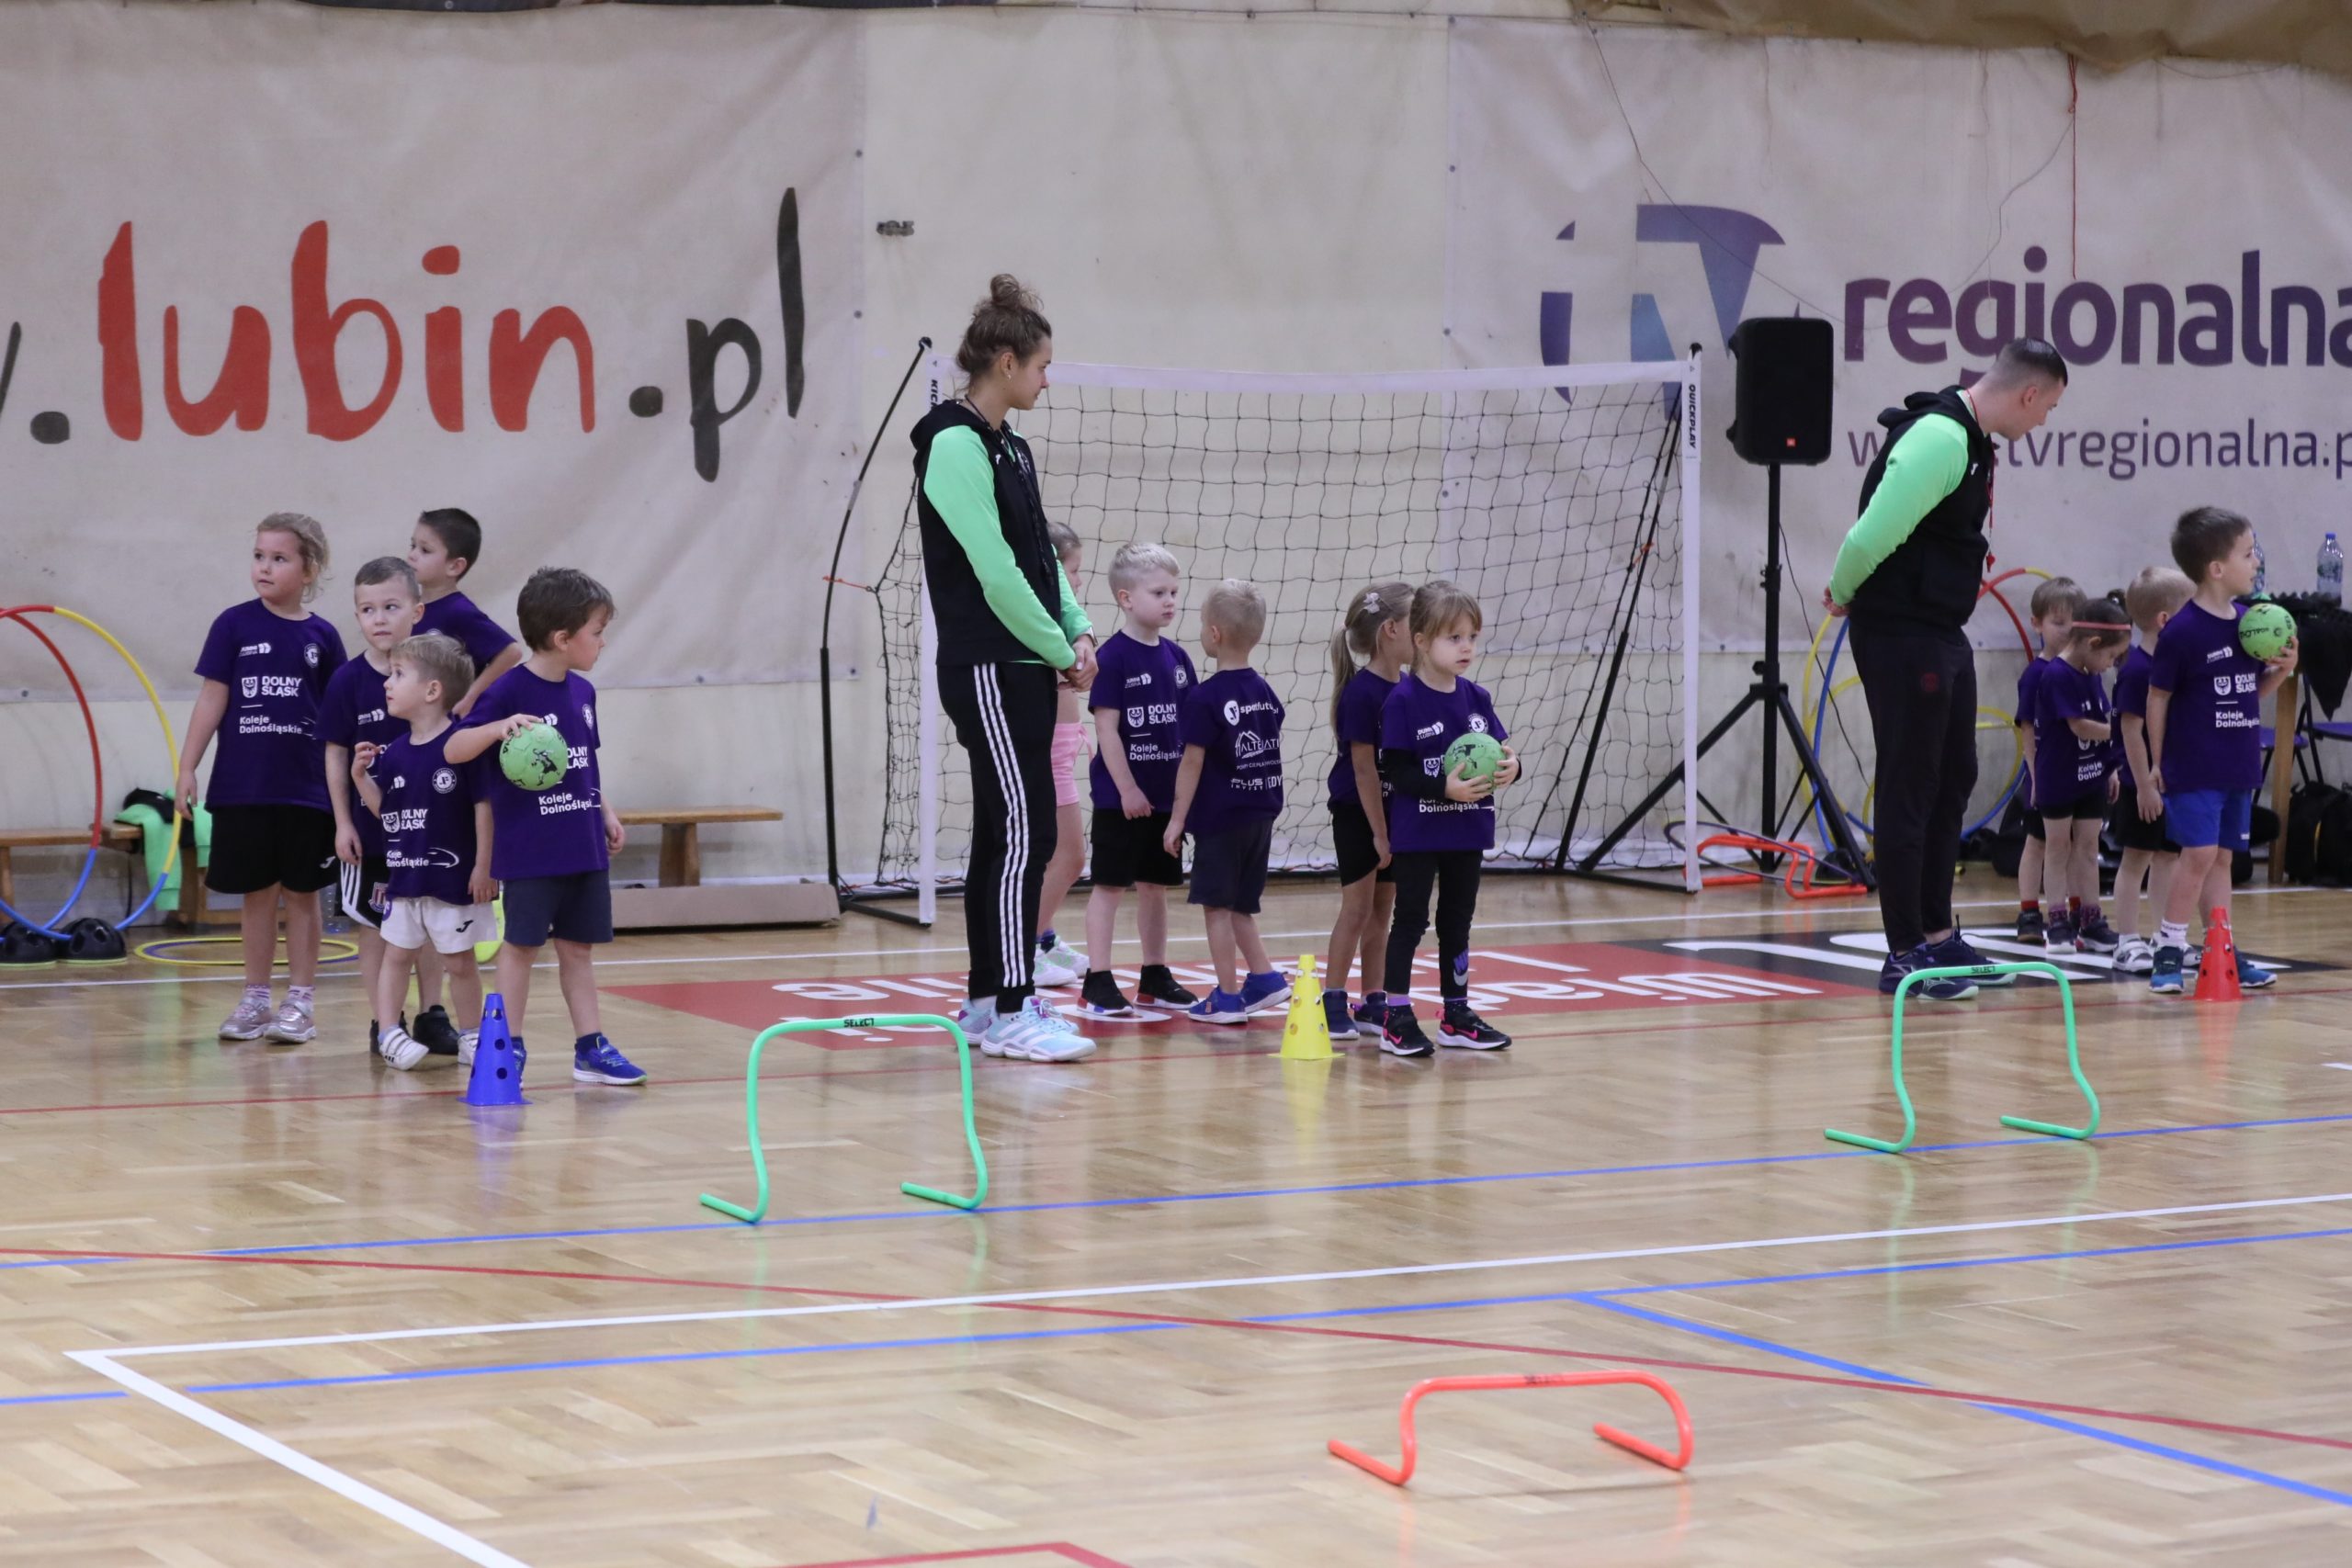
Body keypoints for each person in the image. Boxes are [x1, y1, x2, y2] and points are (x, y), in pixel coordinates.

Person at [1826, 337, 2069, 1002]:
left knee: (1952, 776)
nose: (2043, 420)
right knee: (1911, 785)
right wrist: (1842, 589)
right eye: (2047, 408)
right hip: (1901, 633)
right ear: (2029, 394)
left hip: (1938, 633)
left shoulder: (1972, 441)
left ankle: (1937, 936)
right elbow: (1869, 535)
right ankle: (1904, 951)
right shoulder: (1939, 437)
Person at [910, 275, 1098, 1064]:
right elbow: (994, 572)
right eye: (1043, 366)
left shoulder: (1011, 446)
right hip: (989, 663)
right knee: (1027, 831)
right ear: (1008, 361)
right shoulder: (953, 443)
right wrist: (1057, 650)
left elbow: (1041, 561)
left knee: (1002, 831)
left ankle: (988, 1002)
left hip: (1028, 660)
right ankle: (1018, 1004)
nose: (1048, 380)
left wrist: (1078, 631)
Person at [448, 567, 646, 1084]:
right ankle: (507, 1045)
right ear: (562, 638)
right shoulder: (507, 692)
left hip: (583, 844)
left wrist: (604, 811)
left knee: (578, 949)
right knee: (520, 949)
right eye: (597, 632)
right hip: (531, 851)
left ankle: (590, 1047)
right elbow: (454, 748)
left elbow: (583, 765)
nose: (603, 642)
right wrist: (497, 728)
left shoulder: (583, 693)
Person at [175, 513, 346, 1045]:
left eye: (279, 558)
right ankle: (254, 998)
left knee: (302, 894)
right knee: (257, 893)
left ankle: (300, 1002)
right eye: (258, 556)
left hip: (307, 790)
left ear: (308, 569)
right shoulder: (233, 625)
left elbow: (339, 715)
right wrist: (187, 766)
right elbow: (212, 698)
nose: (264, 567)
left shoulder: (323, 636)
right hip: (244, 788)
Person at [2144, 507, 2297, 995]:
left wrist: (2280, 672)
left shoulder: (2251, 624)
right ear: (2216, 568)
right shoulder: (2182, 631)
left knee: (2223, 859)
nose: (2257, 562)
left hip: (2238, 763)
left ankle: (2222, 948)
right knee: (2198, 854)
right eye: (2248, 554)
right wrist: (2156, 762)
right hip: (2193, 764)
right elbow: (2158, 697)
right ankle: (2169, 948)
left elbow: (2247, 694)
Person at [322, 557, 463, 1058]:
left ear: (417, 611)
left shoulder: (436, 674)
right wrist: (343, 822)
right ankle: (385, 1022)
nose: (378, 619)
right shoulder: (347, 680)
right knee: (375, 926)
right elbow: (335, 753)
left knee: (429, 922)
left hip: (429, 832)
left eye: (390, 607)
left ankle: (432, 1013)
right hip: (372, 833)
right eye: (367, 609)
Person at [1375, 581, 1519, 1057]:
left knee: (1457, 922)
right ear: (1420, 640)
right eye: (1453, 637)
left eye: (1472, 637)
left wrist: (1513, 768)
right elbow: (1395, 771)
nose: (1466, 647)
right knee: (1411, 920)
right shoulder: (1403, 700)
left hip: (1467, 830)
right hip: (1419, 833)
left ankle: (1456, 1015)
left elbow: (1501, 752)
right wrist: (1444, 789)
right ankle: (1396, 1016)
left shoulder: (1477, 698)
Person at [350, 634, 494, 1072]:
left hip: (452, 880)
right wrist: (361, 779)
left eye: (398, 674)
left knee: (460, 962)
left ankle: (473, 1036)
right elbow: (386, 812)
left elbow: (484, 809)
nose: (387, 683)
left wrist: (484, 866)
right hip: (404, 879)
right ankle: (390, 1033)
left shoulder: (462, 746)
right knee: (396, 956)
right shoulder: (393, 753)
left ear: (432, 691)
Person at [1079, 542, 1200, 1019]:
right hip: (1121, 801)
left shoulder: (1178, 658)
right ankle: (1098, 980)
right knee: (1110, 886)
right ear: (1126, 599)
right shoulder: (1112, 658)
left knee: (1156, 886)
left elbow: (1190, 732)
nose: (1170, 601)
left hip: (1165, 801)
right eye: (1158, 593)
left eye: (1173, 592)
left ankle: (1154, 976)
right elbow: (1106, 730)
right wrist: (1127, 788)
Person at [1164, 581, 1290, 1025]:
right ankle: (1265, 977)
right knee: (1240, 905)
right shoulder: (1264, 691)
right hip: (1261, 815)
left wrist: (1176, 820)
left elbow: (1191, 763)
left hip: (1221, 821)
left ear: (1214, 634)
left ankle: (1228, 997)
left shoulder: (1205, 697)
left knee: (1217, 908)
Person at [1319, 581, 1413, 1041]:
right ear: (1391, 630)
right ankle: (1332, 998)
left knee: (1383, 910)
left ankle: (1374, 999)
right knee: (1356, 908)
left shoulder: (1410, 687)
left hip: (1394, 817)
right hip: (1360, 814)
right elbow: (1363, 771)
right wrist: (1379, 833)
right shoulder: (1362, 694)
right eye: (1418, 622)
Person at [2031, 597, 2131, 954]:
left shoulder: (2093, 674)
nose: (2111, 665)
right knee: (2058, 848)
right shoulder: (2057, 675)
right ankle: (2057, 921)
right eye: (2111, 656)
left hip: (2093, 776)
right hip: (2059, 777)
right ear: (2093, 643)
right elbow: (2081, 726)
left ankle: (2090, 921)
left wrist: (2112, 766)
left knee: (2088, 848)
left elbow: (2101, 717)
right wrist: (2126, 734)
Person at [2109, 566, 2195, 974]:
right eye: (2189, 611)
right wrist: (2144, 785)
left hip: (2173, 784)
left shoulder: (2176, 666)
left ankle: (2166, 937)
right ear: (2165, 619)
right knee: (2135, 860)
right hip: (2141, 785)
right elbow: (2130, 730)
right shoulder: (2137, 670)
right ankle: (2127, 941)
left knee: (2167, 859)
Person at [1032, 522, 1094, 989]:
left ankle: (1044, 939)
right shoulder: (1039, 625)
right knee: (1071, 857)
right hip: (1045, 761)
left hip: (1060, 755)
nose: (1077, 580)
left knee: (1056, 857)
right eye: (1072, 570)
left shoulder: (1066, 626)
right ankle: (1023, 947)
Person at [2013, 576, 2082, 945]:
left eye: (2074, 622)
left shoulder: (2081, 671)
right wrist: (2036, 775)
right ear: (2037, 624)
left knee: (2073, 844)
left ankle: (2076, 909)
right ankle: (2028, 912)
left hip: (2078, 773)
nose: (2067, 630)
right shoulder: (2035, 675)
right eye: (2058, 622)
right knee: (2038, 842)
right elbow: (2026, 727)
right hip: (2045, 774)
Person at [410, 507, 525, 717]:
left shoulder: (459, 611)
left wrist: (470, 696)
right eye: (413, 546)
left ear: (455, 566)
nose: (412, 555)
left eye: (425, 550)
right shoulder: (409, 606)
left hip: (446, 725)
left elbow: (511, 652)